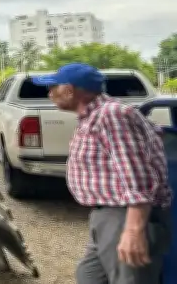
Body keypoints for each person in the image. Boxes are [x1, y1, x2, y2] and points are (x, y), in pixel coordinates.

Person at [31, 63, 173, 283]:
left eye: (53, 87)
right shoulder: (94, 116)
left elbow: (138, 177)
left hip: (124, 215)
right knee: (88, 276)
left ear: (69, 90)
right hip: (105, 216)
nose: (49, 93)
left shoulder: (112, 114)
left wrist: (134, 230)